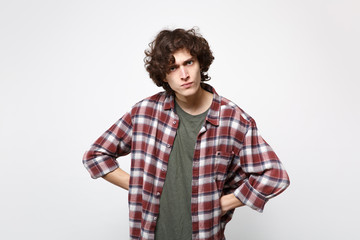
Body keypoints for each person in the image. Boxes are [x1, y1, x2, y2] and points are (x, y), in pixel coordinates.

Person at [83, 28, 290, 240]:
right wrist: (139, 185)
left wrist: (222, 203)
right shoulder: (144, 113)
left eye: (189, 63)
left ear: (200, 63)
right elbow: (95, 156)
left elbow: (275, 176)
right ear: (163, 75)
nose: (184, 75)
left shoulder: (233, 119)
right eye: (173, 68)